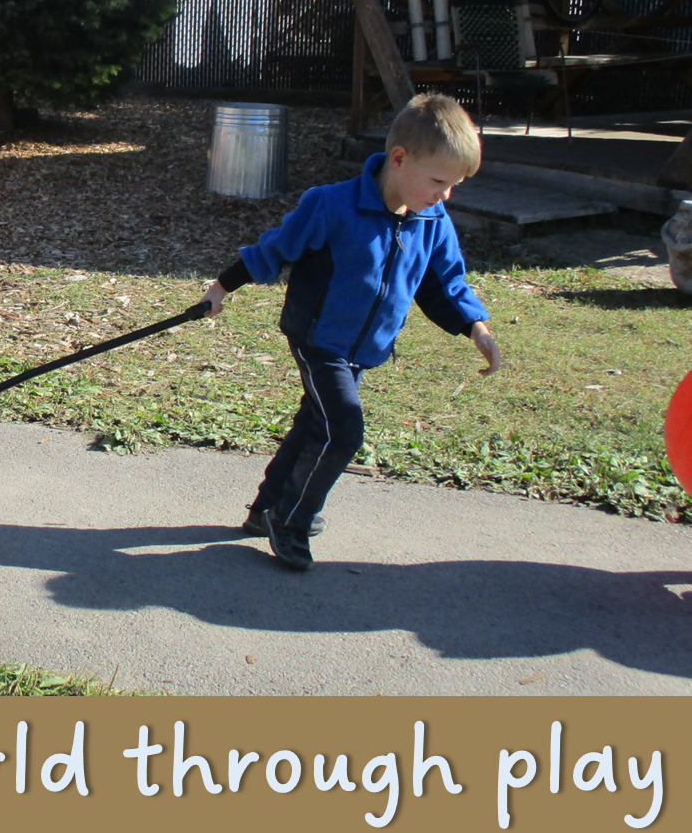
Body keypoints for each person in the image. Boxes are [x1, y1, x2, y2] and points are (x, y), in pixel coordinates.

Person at [200, 93, 502, 572]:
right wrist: (220, 287)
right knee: (342, 430)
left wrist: (475, 326)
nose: (446, 195)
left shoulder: (431, 220)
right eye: (440, 181)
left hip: (363, 348)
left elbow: (445, 282)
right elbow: (274, 250)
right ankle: (292, 522)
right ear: (399, 159)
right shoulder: (331, 205)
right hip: (318, 340)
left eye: (455, 185)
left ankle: (266, 509)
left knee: (314, 424)